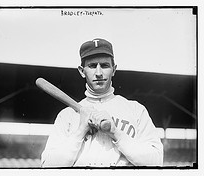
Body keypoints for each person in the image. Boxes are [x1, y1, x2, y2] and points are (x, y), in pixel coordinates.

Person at [41, 38, 163, 167]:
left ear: (114, 69)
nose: (99, 73)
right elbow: (47, 166)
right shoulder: (67, 116)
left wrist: (115, 132)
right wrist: (81, 130)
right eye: (92, 66)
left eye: (104, 65)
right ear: (82, 71)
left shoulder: (136, 110)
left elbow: (156, 161)